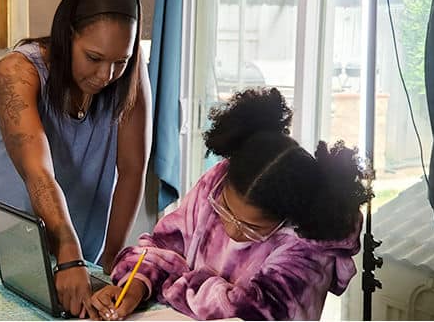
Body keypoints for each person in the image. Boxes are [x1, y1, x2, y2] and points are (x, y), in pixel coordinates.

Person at [90, 88, 370, 320]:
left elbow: (252, 312)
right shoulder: (216, 182)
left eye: (251, 228)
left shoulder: (309, 247)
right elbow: (163, 246)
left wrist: (173, 280)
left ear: (288, 219)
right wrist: (137, 283)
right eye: (224, 210)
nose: (232, 231)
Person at [0, 0, 152, 317]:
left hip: (84, 246)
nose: (105, 75)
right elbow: (38, 172)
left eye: (120, 62)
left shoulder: (130, 75)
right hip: (14, 238)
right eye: (94, 58)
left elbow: (131, 170)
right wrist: (68, 251)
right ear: (68, 35)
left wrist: (112, 265)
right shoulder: (17, 71)